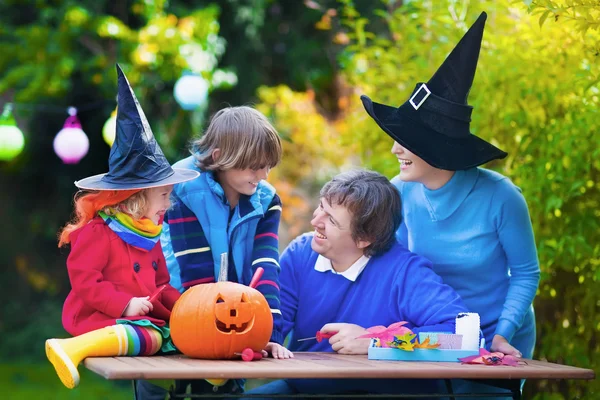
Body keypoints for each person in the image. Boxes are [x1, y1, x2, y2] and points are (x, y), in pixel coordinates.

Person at [361, 11, 540, 396]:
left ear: (436, 150)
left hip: (497, 337)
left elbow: (526, 274)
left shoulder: (502, 197)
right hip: (432, 333)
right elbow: (393, 265)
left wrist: (502, 334)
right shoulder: (399, 192)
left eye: (404, 141)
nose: (394, 149)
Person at [248, 169, 468, 398]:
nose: (315, 221)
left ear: (365, 238)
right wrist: (267, 340)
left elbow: (459, 337)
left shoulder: (406, 272)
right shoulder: (300, 254)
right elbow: (271, 322)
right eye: (321, 207)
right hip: (308, 388)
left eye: (331, 219)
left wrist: (377, 342)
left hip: (389, 393)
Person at [45, 64, 200, 389]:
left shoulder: (150, 233)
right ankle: (70, 348)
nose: (168, 205)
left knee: (172, 334)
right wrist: (124, 303)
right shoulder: (98, 233)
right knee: (149, 337)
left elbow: (160, 283)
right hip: (99, 317)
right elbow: (86, 283)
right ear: (135, 198)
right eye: (163, 196)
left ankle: (211, 369)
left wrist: (184, 306)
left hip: (140, 318)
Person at [135, 106, 292, 398]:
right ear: (220, 157)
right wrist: (207, 334)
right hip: (171, 315)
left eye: (268, 165)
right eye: (255, 166)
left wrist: (267, 336)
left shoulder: (266, 199)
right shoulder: (180, 189)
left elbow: (265, 267)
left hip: (231, 324)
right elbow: (192, 268)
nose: (264, 175)